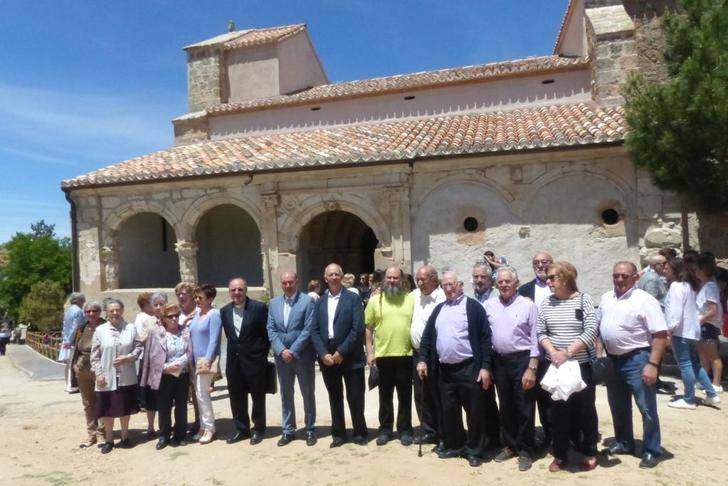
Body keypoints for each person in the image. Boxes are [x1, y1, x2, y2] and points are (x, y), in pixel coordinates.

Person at [416, 271, 494, 467]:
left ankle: (475, 449)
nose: (449, 289)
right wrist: (423, 360)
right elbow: (427, 338)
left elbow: (485, 339)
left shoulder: (473, 308)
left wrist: (485, 367)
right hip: (445, 371)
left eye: (452, 285)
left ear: (460, 285)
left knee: (474, 411)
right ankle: (455, 445)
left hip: (469, 368)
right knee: (449, 410)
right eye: (445, 286)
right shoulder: (439, 309)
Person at [598, 261, 669, 469]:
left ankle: (651, 450)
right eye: (616, 275)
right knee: (618, 406)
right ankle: (624, 442)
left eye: (624, 276)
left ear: (635, 277)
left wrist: (653, 364)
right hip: (612, 360)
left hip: (637, 359)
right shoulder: (606, 298)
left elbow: (660, 335)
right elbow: (600, 329)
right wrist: (600, 355)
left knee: (646, 408)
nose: (619, 279)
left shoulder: (646, 301)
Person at [537, 261, 599, 473]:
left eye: (552, 277)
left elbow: (591, 331)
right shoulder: (546, 303)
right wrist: (553, 352)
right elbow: (541, 332)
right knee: (558, 411)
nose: (548, 281)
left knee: (585, 410)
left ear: (566, 278)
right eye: (548, 277)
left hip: (580, 364)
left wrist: (567, 352)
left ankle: (590, 450)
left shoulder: (584, 300)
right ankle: (560, 454)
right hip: (555, 365)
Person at [485, 267, 540, 471]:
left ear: (516, 283)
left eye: (508, 281)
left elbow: (535, 338)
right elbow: (487, 338)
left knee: (524, 406)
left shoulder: (528, 305)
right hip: (499, 361)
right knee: (506, 405)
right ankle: (510, 445)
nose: (504, 285)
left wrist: (532, 368)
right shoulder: (489, 305)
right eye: (500, 282)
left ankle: (526, 450)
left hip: (522, 361)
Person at [310, 263, 368, 447]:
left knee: (355, 396)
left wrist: (341, 352)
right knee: (334, 397)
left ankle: (359, 432)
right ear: (325, 278)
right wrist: (323, 353)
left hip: (350, 356)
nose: (334, 277)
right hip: (327, 357)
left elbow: (357, 328)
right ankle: (339, 434)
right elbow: (314, 330)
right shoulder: (319, 302)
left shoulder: (353, 298)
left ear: (341, 277)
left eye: (337, 274)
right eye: (330, 275)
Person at [365, 266, 415, 446]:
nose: (392, 280)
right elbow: (368, 328)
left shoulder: (410, 300)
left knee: (405, 395)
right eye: (389, 278)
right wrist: (370, 353)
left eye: (395, 278)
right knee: (384, 396)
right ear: (384, 280)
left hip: (405, 354)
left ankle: (405, 430)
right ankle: (385, 430)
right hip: (383, 356)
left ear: (402, 280)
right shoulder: (374, 301)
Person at [267, 271, 317, 446]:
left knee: (307, 393)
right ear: (281, 284)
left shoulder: (307, 301)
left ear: (297, 281)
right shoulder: (273, 303)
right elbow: (271, 329)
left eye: (291, 282)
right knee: (286, 394)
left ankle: (310, 429)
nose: (288, 285)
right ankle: (288, 430)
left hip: (302, 356)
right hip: (282, 358)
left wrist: (293, 350)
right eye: (285, 283)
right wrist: (281, 350)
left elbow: (308, 329)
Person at [663, 258, 720, 409]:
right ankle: (711, 394)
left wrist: (669, 330)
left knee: (685, 365)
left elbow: (675, 311)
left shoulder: (676, 286)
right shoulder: (688, 285)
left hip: (680, 332)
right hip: (691, 331)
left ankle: (689, 399)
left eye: (667, 268)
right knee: (694, 364)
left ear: (675, 270)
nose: (664, 270)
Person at [221, 277, 270, 446]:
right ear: (229, 292)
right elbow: (230, 336)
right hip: (234, 363)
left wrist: (261, 355)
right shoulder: (225, 311)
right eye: (233, 290)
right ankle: (242, 429)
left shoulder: (258, 308)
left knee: (257, 396)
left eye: (240, 289)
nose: (236, 293)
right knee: (236, 397)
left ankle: (258, 429)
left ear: (245, 290)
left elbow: (266, 335)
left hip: (254, 361)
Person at [90, 299, 142, 454]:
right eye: (111, 310)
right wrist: (98, 373)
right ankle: (109, 440)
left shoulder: (131, 328)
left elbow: (139, 347)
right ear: (107, 312)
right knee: (107, 409)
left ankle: (125, 436)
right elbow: (95, 355)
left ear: (122, 310)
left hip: (126, 375)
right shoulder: (100, 330)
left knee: (125, 406)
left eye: (118, 310)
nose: (115, 313)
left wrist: (129, 357)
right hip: (106, 376)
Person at [517, 251, 554, 450]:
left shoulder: (560, 286)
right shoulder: (524, 290)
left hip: (556, 352)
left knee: (553, 397)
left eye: (544, 262)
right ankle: (528, 439)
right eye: (536, 262)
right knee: (531, 397)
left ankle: (554, 436)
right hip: (531, 353)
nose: (540, 265)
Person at [141, 303, 190, 449]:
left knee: (181, 406)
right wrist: (165, 368)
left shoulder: (186, 331)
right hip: (164, 375)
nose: (174, 319)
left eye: (177, 315)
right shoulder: (156, 333)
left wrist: (180, 363)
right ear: (164, 319)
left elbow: (190, 352)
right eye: (170, 316)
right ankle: (164, 435)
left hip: (182, 374)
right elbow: (150, 356)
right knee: (164, 406)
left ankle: (180, 434)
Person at [410, 265, 446, 450]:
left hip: (436, 355)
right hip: (417, 354)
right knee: (421, 394)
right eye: (418, 279)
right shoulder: (415, 295)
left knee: (437, 394)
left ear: (434, 278)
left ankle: (443, 433)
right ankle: (428, 430)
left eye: (423, 279)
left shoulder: (442, 297)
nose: (419, 283)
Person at [188, 284, 222, 444]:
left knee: (202, 394)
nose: (196, 300)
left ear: (210, 299)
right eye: (196, 297)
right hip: (194, 360)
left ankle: (209, 427)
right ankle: (203, 425)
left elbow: (215, 339)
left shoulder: (214, 314)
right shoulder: (197, 313)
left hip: (205, 360)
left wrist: (208, 360)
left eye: (200, 298)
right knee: (198, 394)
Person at [71, 301, 106, 448]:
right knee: (88, 403)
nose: (92, 314)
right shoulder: (82, 328)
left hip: (100, 369)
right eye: (88, 311)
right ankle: (91, 434)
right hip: (82, 368)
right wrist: (74, 366)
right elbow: (75, 347)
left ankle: (102, 433)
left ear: (100, 312)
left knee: (101, 401)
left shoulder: (106, 327)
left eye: (95, 310)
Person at [137, 292, 168, 438]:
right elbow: (140, 339)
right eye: (155, 305)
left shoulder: (172, 319)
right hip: (150, 366)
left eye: (161, 304)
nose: (158, 307)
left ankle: (166, 426)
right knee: (151, 398)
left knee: (166, 398)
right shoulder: (147, 322)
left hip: (167, 365)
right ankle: (150, 426)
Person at [695, 253, 724, 394]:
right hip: (702, 325)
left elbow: (713, 310)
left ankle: (716, 383)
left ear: (702, 270)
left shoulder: (710, 286)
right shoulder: (704, 285)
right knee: (703, 355)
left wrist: (700, 320)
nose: (695, 272)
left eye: (697, 269)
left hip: (708, 325)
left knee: (713, 356)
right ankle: (705, 381)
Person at [175, 281, 200, 436]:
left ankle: (200, 421)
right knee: (182, 393)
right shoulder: (175, 313)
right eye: (179, 294)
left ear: (192, 295)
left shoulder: (200, 311)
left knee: (198, 393)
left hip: (197, 357)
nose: (181, 296)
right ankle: (181, 424)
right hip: (179, 358)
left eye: (184, 293)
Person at [61, 292, 85, 393]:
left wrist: (65, 339)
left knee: (68, 363)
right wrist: (70, 341)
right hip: (73, 340)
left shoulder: (68, 310)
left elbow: (65, 326)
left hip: (66, 339)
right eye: (83, 300)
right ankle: (71, 386)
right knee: (72, 363)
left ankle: (68, 384)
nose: (84, 302)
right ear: (79, 300)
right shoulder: (79, 311)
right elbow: (75, 327)